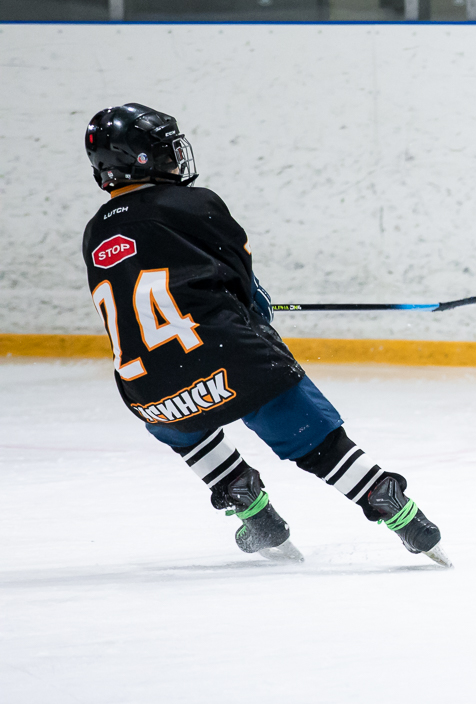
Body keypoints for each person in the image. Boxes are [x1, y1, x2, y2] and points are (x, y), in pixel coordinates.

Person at [80, 103, 448, 564]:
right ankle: (391, 505)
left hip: (150, 387)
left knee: (178, 422)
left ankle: (249, 505)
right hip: (232, 359)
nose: (177, 159)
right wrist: (255, 303)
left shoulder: (95, 231)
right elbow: (242, 289)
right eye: (166, 152)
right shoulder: (196, 203)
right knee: (317, 444)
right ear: (142, 160)